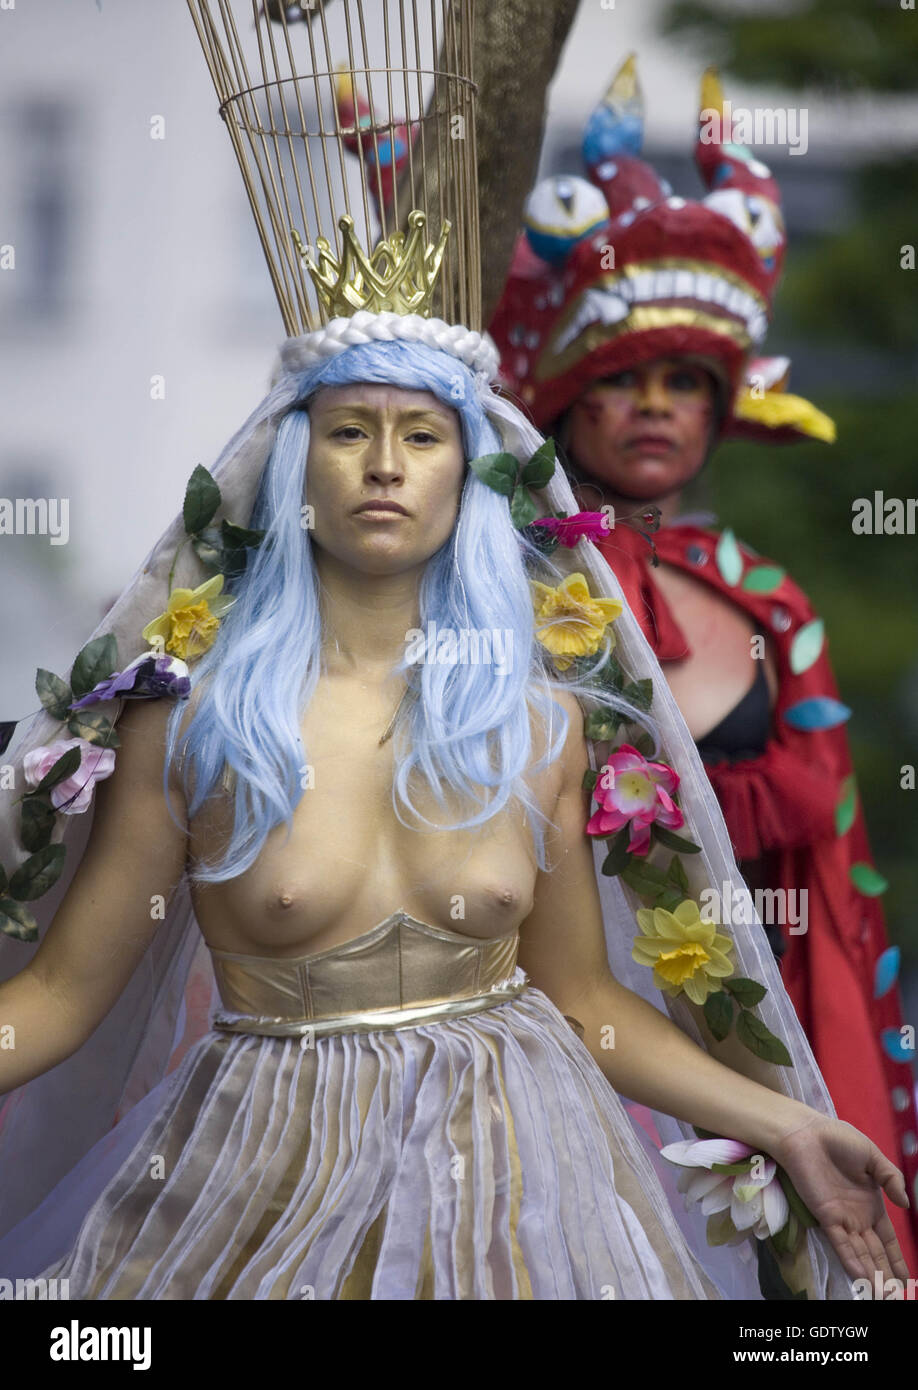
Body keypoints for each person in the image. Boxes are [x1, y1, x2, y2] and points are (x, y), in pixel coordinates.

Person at [0, 8, 908, 1302]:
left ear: (466, 474)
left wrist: (781, 1118)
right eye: (350, 430)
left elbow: (583, 996)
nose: (382, 463)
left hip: (519, 1199)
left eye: (419, 435)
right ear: (292, 466)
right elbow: (60, 996)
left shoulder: (540, 724)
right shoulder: (189, 724)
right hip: (252, 1203)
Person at [487, 56, 918, 1272]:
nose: (657, 407)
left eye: (687, 381)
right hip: (553, 1054)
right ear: (562, 400)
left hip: (767, 1058)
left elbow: (831, 898)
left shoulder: (770, 601)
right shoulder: (492, 588)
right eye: (621, 379)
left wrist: (819, 1091)